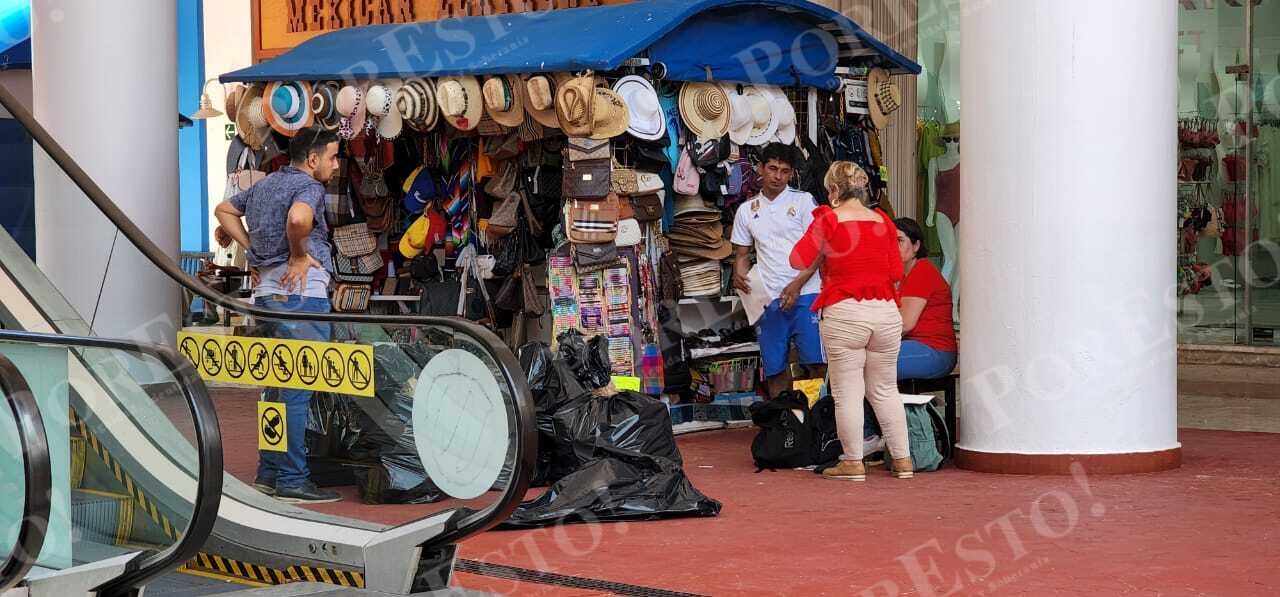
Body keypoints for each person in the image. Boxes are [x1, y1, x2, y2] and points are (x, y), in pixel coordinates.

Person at [214, 126, 342, 504]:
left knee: (275, 385)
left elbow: (224, 210)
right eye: (333, 158)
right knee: (298, 387)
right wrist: (299, 254)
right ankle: (291, 479)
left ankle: (269, 472)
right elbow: (300, 220)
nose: (336, 166)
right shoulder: (310, 188)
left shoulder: (267, 184)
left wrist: (253, 248)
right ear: (313, 159)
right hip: (301, 296)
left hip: (267, 294)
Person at [789, 161, 912, 482]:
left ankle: (853, 462)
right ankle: (902, 460)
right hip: (886, 312)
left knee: (847, 392)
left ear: (833, 191)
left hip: (845, 313)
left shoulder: (828, 219)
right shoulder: (883, 221)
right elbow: (897, 273)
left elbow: (797, 259)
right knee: (885, 389)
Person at [731, 143, 826, 398]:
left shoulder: (804, 201)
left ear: (791, 173)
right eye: (772, 168)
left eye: (784, 171)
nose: (777, 176)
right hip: (769, 298)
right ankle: (782, 424)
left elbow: (820, 249)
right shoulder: (746, 211)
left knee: (816, 364)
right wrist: (739, 274)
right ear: (760, 169)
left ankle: (815, 422)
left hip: (807, 294)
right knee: (774, 369)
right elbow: (741, 255)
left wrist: (797, 284)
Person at [894, 218, 958, 379]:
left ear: (916, 245)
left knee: (865, 362)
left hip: (933, 351)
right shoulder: (904, 276)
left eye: (899, 240)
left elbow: (905, 324)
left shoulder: (922, 270)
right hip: (915, 347)